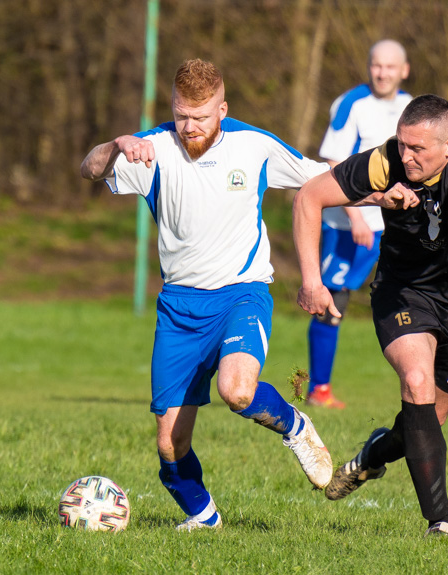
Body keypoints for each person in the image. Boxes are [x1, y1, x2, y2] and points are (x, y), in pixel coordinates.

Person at [80, 59, 333, 531]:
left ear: (223, 108)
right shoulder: (151, 149)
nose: (189, 127)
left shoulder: (254, 146)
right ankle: (204, 518)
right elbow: (89, 170)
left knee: (237, 390)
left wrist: (381, 192)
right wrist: (115, 146)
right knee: (169, 445)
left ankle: (295, 427)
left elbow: (323, 177)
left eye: (200, 116)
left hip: (242, 294)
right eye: (181, 115)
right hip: (179, 308)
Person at [293, 94, 448, 537]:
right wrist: (312, 280)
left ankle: (373, 455)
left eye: (418, 149)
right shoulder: (386, 161)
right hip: (405, 290)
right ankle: (438, 523)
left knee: (426, 422)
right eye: (402, 144)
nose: (406, 156)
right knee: (416, 383)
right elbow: (309, 197)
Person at [306, 39, 411, 409]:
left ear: (404, 70)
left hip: (392, 221)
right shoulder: (351, 104)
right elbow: (334, 164)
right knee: (333, 301)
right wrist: (355, 216)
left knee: (417, 293)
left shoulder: (410, 107)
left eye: (389, 66)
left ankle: (437, 375)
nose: (382, 72)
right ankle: (319, 389)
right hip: (347, 224)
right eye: (376, 65)